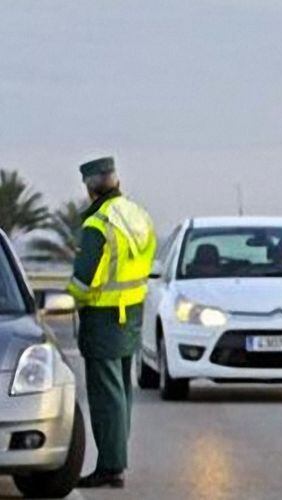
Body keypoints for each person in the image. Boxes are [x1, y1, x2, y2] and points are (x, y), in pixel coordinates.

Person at [65, 157, 157, 489]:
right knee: (121, 395)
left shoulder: (98, 224)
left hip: (103, 317)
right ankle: (116, 460)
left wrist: (69, 298)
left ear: (89, 186)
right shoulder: (136, 214)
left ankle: (110, 466)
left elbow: (83, 281)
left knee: (106, 398)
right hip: (130, 313)